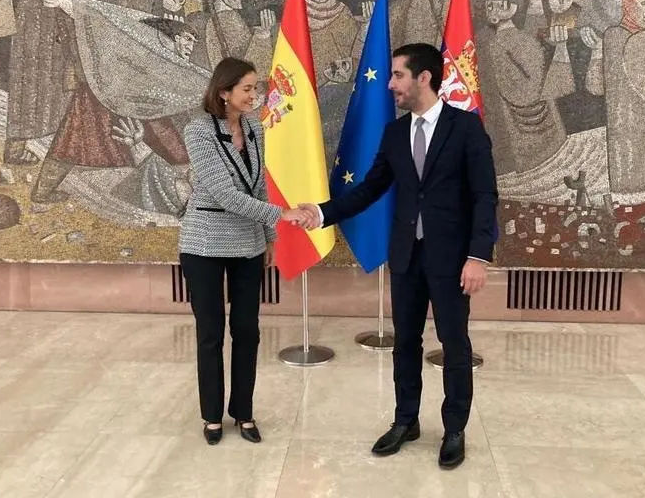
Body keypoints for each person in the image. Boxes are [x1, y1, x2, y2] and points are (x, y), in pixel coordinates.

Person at [299, 43, 498, 469]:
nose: (390, 84)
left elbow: (485, 195)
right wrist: (322, 213)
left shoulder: (466, 127)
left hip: (452, 260)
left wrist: (478, 256)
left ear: (423, 77)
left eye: (398, 75)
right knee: (405, 342)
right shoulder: (394, 133)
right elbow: (370, 189)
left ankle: (455, 429)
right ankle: (406, 420)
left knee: (454, 344)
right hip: (406, 257)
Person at [179, 57, 312, 445]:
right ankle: (212, 416)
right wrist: (282, 215)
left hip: (248, 244)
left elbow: (258, 186)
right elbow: (224, 193)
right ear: (224, 92)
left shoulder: (254, 127)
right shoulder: (198, 130)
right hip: (205, 243)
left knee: (248, 331)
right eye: (248, 88)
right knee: (210, 332)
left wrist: (269, 236)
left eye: (256, 87)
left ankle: (243, 412)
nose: (255, 95)